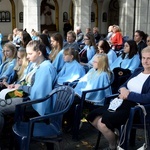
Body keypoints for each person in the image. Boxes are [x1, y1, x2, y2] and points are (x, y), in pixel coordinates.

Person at [87, 46, 150, 150]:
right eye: (144, 58)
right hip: (121, 102)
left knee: (102, 124)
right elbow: (122, 85)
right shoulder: (138, 70)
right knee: (92, 117)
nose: (145, 61)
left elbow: (148, 98)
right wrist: (124, 90)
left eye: (149, 58)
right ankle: (116, 140)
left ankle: (113, 146)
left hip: (137, 110)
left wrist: (129, 94)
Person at [0, 40, 57, 135]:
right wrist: (16, 86)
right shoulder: (36, 65)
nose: (27, 56)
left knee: (0, 107)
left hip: (33, 102)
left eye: (30, 53)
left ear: (39, 53)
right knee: (2, 97)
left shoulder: (45, 68)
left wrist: (21, 88)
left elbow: (38, 93)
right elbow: (28, 82)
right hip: (26, 96)